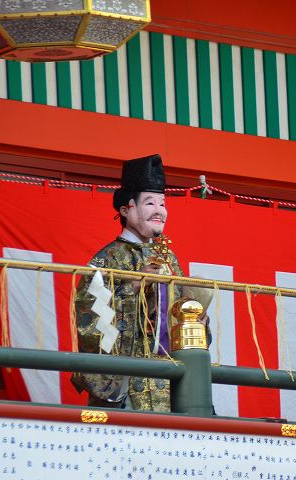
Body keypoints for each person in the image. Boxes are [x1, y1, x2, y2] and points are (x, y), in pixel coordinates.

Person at [72, 154, 211, 411]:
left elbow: (177, 315)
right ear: (126, 209)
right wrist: (133, 290)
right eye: (150, 203)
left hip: (169, 381)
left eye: (163, 203)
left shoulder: (169, 258)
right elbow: (90, 322)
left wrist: (195, 319)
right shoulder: (107, 259)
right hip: (128, 383)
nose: (159, 211)